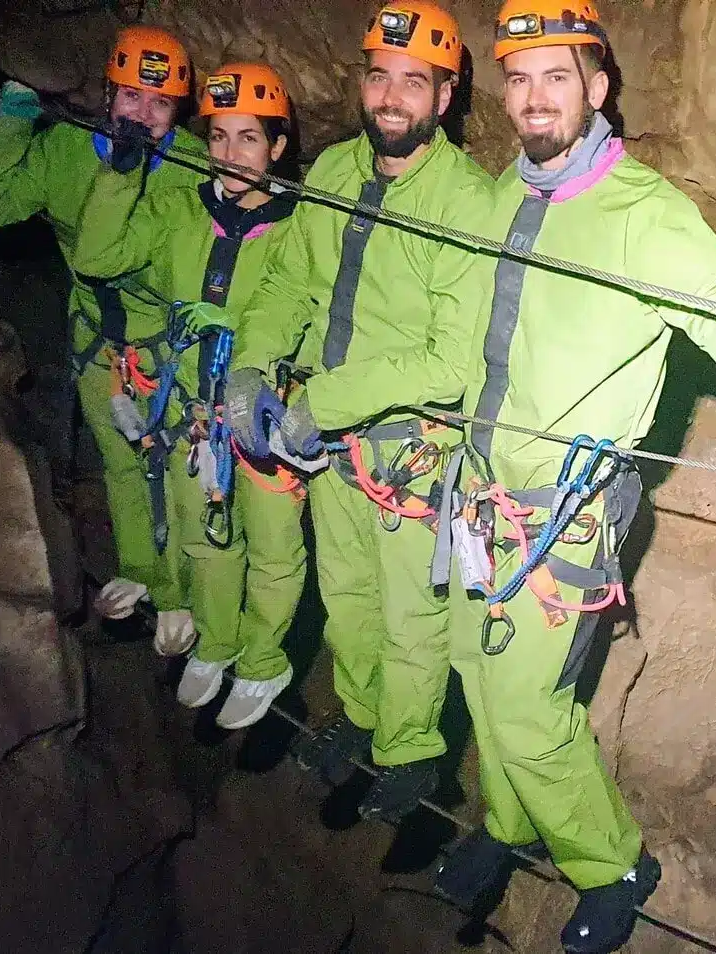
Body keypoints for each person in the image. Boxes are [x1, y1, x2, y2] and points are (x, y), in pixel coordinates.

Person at [431, 2, 716, 951]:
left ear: (597, 90)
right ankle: (507, 825)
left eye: (558, 78)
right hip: (477, 491)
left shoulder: (644, 212)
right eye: (522, 77)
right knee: (470, 669)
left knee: (530, 710)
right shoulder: (506, 193)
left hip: (561, 516)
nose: (537, 98)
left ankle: (614, 863)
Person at [223, 0, 493, 821]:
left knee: (412, 609)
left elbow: (450, 361)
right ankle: (367, 716)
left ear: (444, 100)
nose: (391, 97)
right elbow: (290, 285)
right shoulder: (337, 171)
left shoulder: (467, 202)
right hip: (325, 441)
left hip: (408, 448)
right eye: (380, 76)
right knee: (345, 596)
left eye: (415, 83)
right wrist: (252, 367)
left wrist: (328, 401)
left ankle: (412, 750)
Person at [71, 62, 307, 729]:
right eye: (220, 138)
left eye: (250, 139)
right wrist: (118, 176)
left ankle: (263, 659)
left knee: (271, 547)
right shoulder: (179, 210)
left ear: (278, 147)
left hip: (262, 413)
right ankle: (217, 640)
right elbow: (96, 258)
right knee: (206, 534)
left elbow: (317, 317)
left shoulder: (302, 227)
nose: (231, 155)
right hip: (191, 412)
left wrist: (252, 338)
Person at [0, 25, 206, 653]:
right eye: (131, 97)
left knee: (176, 470)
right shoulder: (68, 152)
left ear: (178, 112)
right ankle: (141, 570)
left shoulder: (197, 175)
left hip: (169, 347)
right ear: (109, 94)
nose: (143, 115)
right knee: (122, 464)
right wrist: (14, 114)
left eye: (160, 105)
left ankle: (185, 597)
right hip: (98, 341)